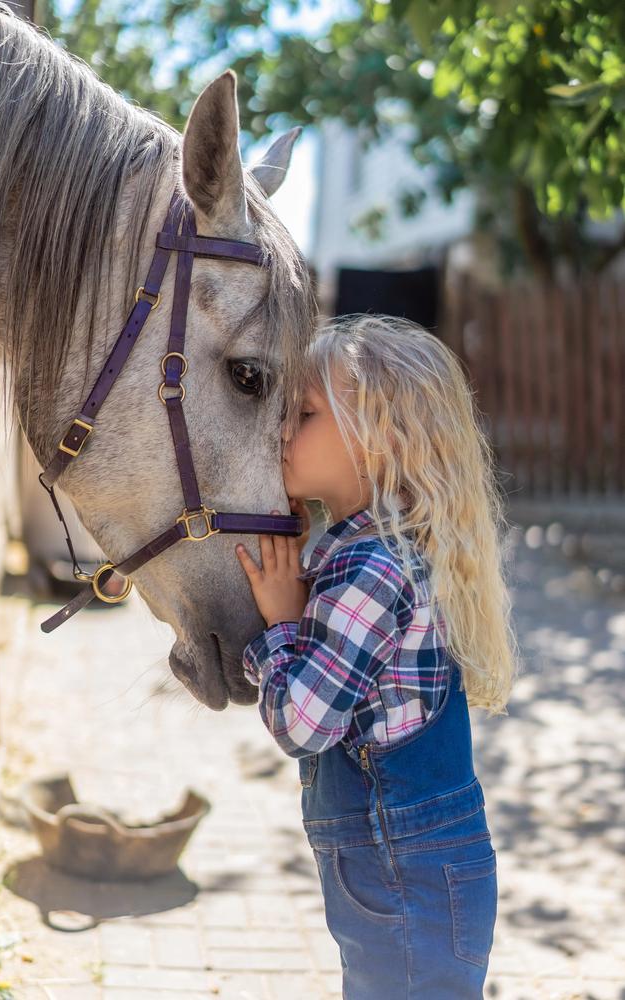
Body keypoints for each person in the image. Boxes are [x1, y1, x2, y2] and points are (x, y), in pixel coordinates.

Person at [235, 313, 519, 999]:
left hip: (401, 877)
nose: (280, 431)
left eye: (301, 413)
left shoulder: (369, 566)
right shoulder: (379, 551)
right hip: (413, 870)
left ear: (377, 439)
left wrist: (279, 622)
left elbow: (302, 725)